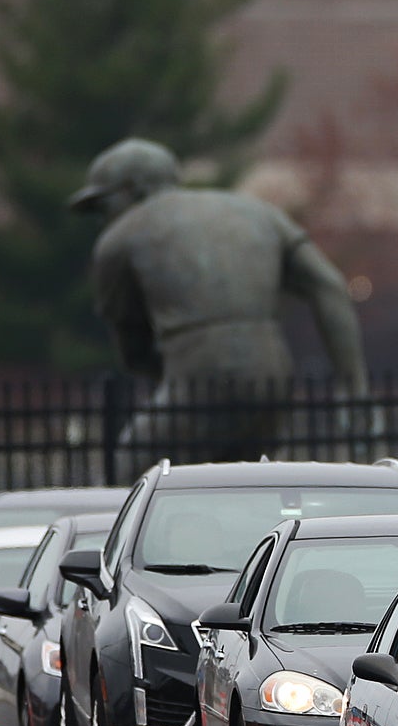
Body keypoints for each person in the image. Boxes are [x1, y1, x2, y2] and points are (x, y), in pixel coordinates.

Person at [72, 139, 371, 475]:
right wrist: (352, 386)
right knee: (245, 478)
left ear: (134, 189)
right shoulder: (257, 211)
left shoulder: (120, 237)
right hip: (272, 370)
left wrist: (168, 371)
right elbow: (328, 286)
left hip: (202, 370)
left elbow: (132, 350)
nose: (102, 218)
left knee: (133, 465)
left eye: (104, 204)